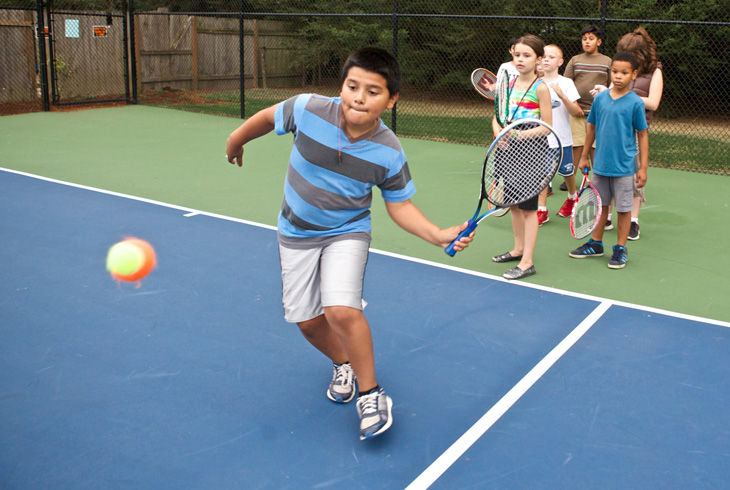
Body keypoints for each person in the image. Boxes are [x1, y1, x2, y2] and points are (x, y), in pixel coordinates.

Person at [225, 47, 472, 441]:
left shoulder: (388, 151)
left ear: (392, 100)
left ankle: (371, 394)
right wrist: (236, 141)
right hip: (295, 233)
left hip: (347, 232)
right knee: (307, 323)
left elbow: (400, 206)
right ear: (342, 86)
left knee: (340, 310)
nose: (359, 97)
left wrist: (438, 234)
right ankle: (342, 363)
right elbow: (266, 117)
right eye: (352, 86)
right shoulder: (307, 109)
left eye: (373, 91)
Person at [569, 51, 648, 269]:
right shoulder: (601, 99)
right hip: (600, 166)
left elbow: (642, 134)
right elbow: (591, 128)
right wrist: (584, 156)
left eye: (624, 72)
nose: (618, 76)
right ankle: (596, 244)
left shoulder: (635, 103)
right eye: (614, 71)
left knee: (623, 210)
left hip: (624, 168)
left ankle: (620, 248)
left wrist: (643, 168)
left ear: (634, 74)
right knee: (601, 206)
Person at [490, 34, 552, 280]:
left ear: (538, 60)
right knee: (513, 203)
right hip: (507, 150)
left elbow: (547, 126)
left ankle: (527, 262)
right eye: (517, 55)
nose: (520, 59)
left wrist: (517, 136)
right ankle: (518, 250)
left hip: (530, 151)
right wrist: (500, 134)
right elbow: (496, 116)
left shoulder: (541, 88)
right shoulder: (508, 84)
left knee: (528, 208)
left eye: (527, 55)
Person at [594, 28, 663, 240]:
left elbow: (653, 102)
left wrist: (626, 96)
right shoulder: (618, 71)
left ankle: (633, 220)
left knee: (631, 178)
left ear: (641, 53)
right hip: (612, 129)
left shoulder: (655, 71)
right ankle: (606, 216)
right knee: (608, 174)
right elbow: (610, 93)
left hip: (634, 130)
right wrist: (604, 93)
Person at [536, 44, 583, 226]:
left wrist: (562, 95)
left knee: (567, 172)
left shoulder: (566, 83)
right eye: (544, 56)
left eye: (551, 57)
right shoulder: (535, 83)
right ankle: (542, 210)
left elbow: (575, 111)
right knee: (542, 175)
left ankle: (572, 197)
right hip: (540, 140)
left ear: (560, 62)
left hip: (562, 138)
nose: (546, 59)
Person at [563, 25, 612, 195]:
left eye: (591, 39)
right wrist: (574, 104)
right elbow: (566, 82)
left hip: (598, 112)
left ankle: (596, 180)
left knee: (594, 147)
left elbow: (612, 86)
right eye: (584, 39)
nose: (587, 42)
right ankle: (571, 177)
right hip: (576, 110)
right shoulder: (575, 60)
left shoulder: (607, 61)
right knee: (576, 145)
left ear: (598, 41)